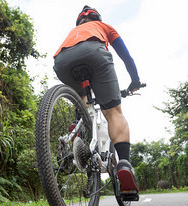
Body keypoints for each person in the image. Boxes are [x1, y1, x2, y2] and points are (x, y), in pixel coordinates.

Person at [53, 5, 141, 194]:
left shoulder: (73, 31)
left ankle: (78, 128)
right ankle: (124, 165)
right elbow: (126, 57)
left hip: (62, 62)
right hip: (95, 53)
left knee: (85, 98)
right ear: (97, 18)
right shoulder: (104, 27)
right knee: (113, 112)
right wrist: (135, 81)